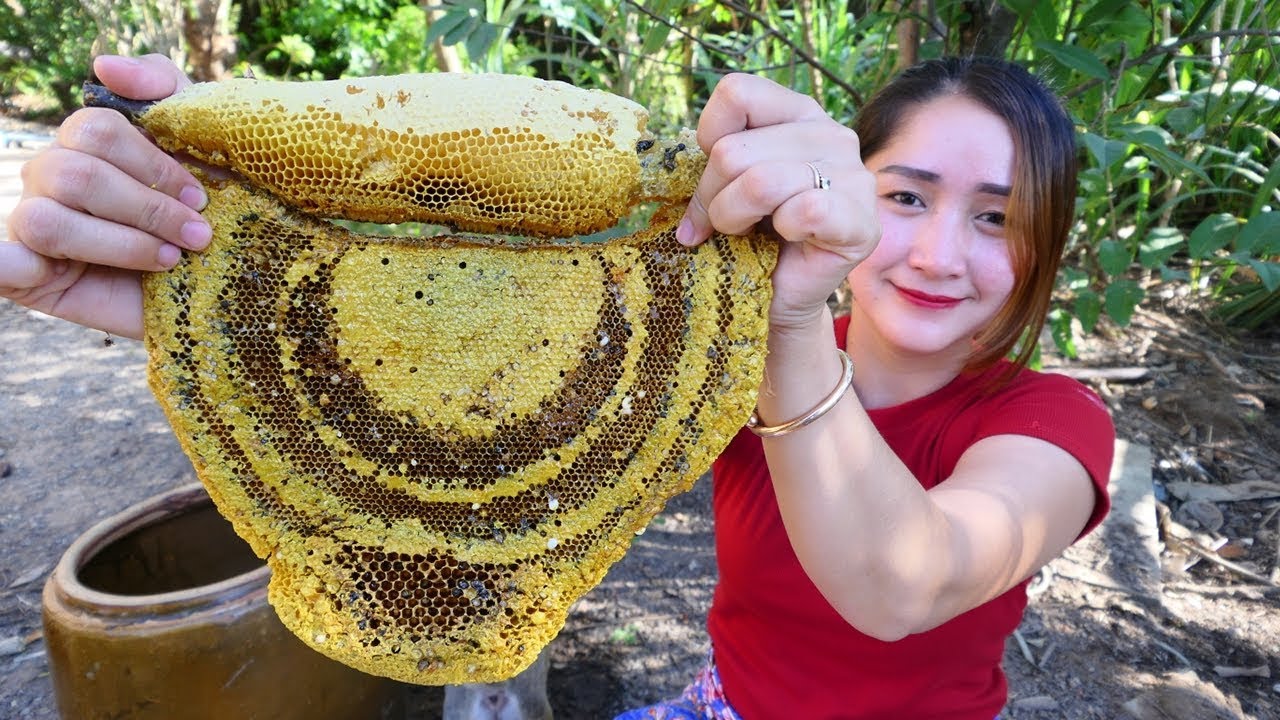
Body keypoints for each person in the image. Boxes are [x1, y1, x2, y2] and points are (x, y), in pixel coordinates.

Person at [1, 53, 1113, 719]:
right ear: (836, 192)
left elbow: (901, 583)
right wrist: (201, 271)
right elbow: (465, 371)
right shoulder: (702, 356)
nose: (934, 254)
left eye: (996, 219)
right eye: (907, 198)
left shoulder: (1051, 423)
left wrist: (781, 312)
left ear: (1044, 250)